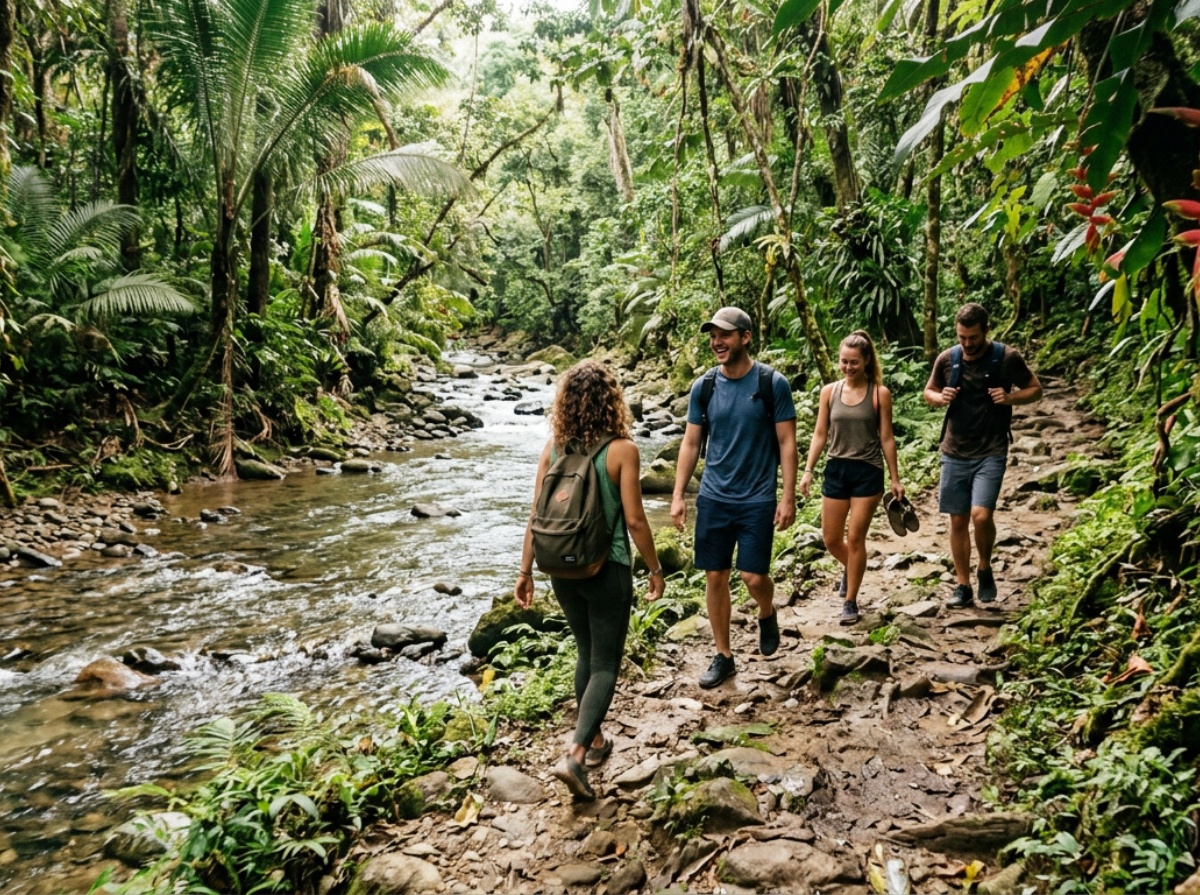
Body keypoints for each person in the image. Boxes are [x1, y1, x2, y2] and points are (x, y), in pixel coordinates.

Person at [515, 360, 665, 802]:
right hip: (607, 567)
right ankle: (576, 753)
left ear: (566, 403)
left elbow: (536, 515)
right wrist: (654, 569)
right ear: (611, 401)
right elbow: (635, 521)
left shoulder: (554, 448)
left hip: (560, 568)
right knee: (604, 664)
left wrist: (525, 573)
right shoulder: (622, 450)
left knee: (585, 653)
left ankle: (595, 742)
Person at [671, 307, 798, 689]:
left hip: (757, 497)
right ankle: (724, 655)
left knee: (753, 576)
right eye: (712, 335)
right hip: (713, 496)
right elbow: (691, 442)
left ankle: (766, 610)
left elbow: (787, 442)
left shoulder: (771, 383)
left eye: (724, 335)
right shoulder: (704, 387)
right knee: (716, 574)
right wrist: (678, 495)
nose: (716, 342)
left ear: (745, 337)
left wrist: (787, 496)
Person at [923, 302, 1042, 608]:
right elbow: (929, 391)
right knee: (958, 520)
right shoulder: (948, 359)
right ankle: (963, 585)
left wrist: (1010, 397)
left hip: (991, 449)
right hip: (954, 450)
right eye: (962, 337)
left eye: (972, 337)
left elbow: (1035, 389)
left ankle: (985, 566)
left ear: (986, 330)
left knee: (981, 515)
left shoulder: (1007, 357)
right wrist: (940, 398)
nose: (967, 344)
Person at [799, 331, 904, 626]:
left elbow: (886, 438)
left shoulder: (879, 394)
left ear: (867, 361)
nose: (848, 367)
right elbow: (820, 434)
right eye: (844, 361)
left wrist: (895, 478)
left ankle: (850, 601)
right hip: (836, 469)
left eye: (854, 362)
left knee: (855, 538)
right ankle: (853, 568)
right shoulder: (829, 392)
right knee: (831, 539)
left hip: (867, 472)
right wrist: (808, 470)